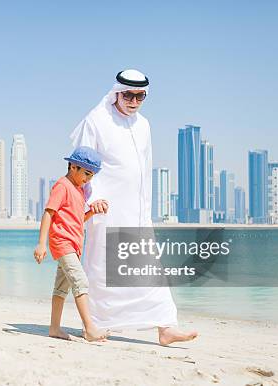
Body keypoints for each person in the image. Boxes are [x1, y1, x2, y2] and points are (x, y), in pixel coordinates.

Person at [70, 70, 198, 345]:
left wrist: (147, 205)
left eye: (140, 96)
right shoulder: (97, 120)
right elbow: (81, 163)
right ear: (117, 93)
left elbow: (145, 167)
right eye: (128, 95)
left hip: (137, 209)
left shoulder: (144, 125)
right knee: (102, 267)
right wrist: (90, 201)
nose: (134, 101)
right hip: (105, 207)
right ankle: (94, 324)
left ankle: (166, 326)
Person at [34, 146, 110, 342]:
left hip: (74, 246)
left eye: (91, 175)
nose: (88, 179)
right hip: (62, 243)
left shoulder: (79, 191)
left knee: (61, 289)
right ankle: (90, 328)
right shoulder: (62, 185)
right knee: (80, 282)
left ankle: (54, 328)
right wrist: (42, 244)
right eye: (86, 173)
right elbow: (49, 213)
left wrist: (91, 212)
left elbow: (77, 220)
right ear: (73, 167)